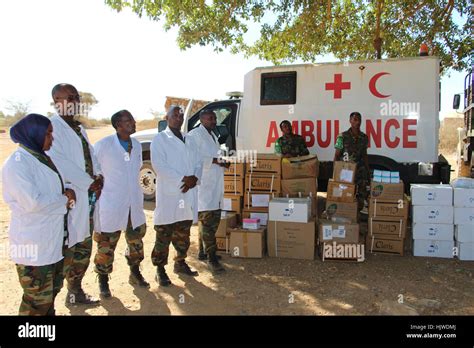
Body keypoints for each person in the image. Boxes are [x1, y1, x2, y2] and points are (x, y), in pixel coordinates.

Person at [2, 114, 76, 315]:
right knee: (36, 301)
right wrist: (64, 198)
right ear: (33, 134)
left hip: (50, 240)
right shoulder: (17, 164)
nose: (52, 138)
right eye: (48, 133)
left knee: (50, 294)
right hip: (32, 246)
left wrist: (67, 190)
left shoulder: (42, 157)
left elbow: (56, 185)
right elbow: (33, 203)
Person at [47, 83, 103, 305]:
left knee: (83, 245)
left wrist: (99, 176)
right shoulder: (52, 127)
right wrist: (89, 182)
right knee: (65, 247)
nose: (74, 102)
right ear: (56, 101)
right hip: (70, 197)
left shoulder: (79, 129)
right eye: (69, 98)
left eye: (76, 97)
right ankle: (48, 301)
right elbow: (60, 162)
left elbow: (92, 156)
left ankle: (75, 290)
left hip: (88, 197)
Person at [92, 110, 149, 298]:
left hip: (134, 204)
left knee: (136, 243)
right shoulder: (103, 146)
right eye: (128, 121)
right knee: (106, 246)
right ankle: (103, 280)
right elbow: (93, 169)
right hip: (112, 203)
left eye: (132, 119)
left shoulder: (137, 145)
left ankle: (135, 273)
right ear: (117, 125)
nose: (133, 123)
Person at [150, 105, 200, 286]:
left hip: (187, 192)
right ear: (167, 117)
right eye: (175, 115)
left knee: (183, 233)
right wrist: (183, 179)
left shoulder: (189, 139)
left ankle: (180, 262)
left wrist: (195, 178)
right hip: (170, 193)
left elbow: (198, 162)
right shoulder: (160, 139)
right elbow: (159, 166)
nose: (179, 118)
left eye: (181, 116)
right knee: (164, 233)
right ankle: (160, 269)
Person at [186, 109, 228, 274]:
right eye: (210, 118)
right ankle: (212, 258)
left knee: (208, 221)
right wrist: (215, 160)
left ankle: (203, 252)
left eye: (215, 118)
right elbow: (192, 158)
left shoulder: (212, 135)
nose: (214, 121)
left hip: (215, 184)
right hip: (204, 186)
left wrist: (221, 162)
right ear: (202, 119)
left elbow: (212, 156)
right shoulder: (194, 135)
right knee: (208, 222)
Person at [334, 111, 370, 213]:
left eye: (359, 120)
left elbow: (364, 154)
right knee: (346, 192)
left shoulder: (364, 137)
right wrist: (335, 172)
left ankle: (358, 212)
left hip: (360, 169)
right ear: (350, 121)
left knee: (362, 192)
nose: (357, 122)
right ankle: (346, 212)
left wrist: (368, 171)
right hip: (346, 170)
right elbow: (337, 155)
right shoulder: (342, 136)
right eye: (355, 119)